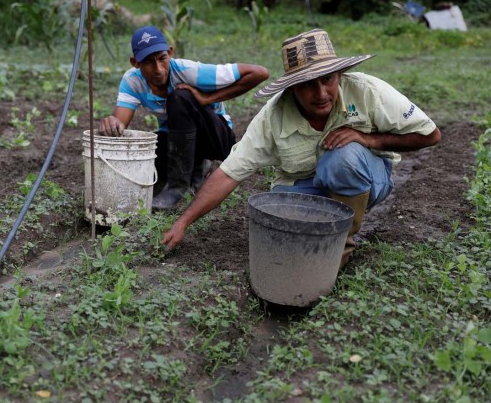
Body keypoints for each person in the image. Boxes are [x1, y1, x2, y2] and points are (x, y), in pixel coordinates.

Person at [162, 28, 441, 267]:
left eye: (327, 80)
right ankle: (317, 232)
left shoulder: (368, 92)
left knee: (342, 160)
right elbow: (228, 173)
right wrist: (183, 222)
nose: (320, 94)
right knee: (278, 214)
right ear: (292, 88)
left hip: (369, 180)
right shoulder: (273, 117)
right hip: (309, 187)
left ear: (339, 74)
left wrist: (368, 139)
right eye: (307, 85)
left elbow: (430, 135)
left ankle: (341, 248)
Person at [99, 26, 269, 209]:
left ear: (170, 53)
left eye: (162, 58)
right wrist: (112, 122)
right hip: (179, 138)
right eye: (148, 62)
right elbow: (120, 122)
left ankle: (177, 187)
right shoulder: (132, 81)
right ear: (135, 63)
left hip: (218, 140)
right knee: (149, 149)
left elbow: (260, 72)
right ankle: (198, 166)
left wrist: (207, 98)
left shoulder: (190, 71)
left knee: (179, 97)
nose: (158, 69)